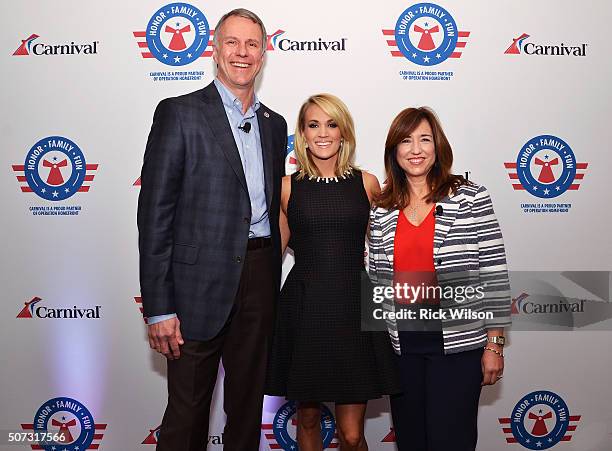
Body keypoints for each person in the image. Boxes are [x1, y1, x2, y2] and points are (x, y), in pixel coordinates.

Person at [137, 9, 287, 451]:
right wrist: (159, 308)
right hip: (195, 285)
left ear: (263, 53)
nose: (243, 53)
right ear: (215, 49)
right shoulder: (179, 113)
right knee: (187, 411)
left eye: (253, 44)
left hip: (260, 275)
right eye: (233, 43)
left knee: (248, 405)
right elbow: (155, 214)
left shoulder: (274, 125)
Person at [368, 107, 511, 451]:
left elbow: (493, 271)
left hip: (459, 349)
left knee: (453, 441)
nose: (415, 150)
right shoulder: (382, 206)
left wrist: (494, 344)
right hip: (402, 350)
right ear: (394, 151)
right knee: (412, 442)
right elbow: (374, 279)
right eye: (406, 141)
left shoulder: (471, 197)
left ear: (438, 147)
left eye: (424, 140)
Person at [265, 94, 400, 450]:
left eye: (331, 124)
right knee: (307, 419)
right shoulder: (286, 187)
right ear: (303, 134)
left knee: (352, 435)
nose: (322, 133)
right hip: (305, 308)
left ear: (344, 132)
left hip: (355, 307)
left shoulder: (367, 183)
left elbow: (390, 249)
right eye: (313, 125)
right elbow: (271, 256)